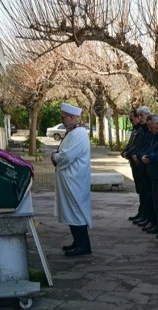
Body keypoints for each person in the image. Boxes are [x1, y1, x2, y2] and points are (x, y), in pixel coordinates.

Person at [52, 102, 92, 257]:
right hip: (70, 179)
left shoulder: (79, 134)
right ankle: (78, 242)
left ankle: (83, 245)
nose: (62, 120)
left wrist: (55, 156)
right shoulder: (74, 132)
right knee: (71, 211)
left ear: (72, 117)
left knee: (76, 211)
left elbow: (67, 156)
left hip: (75, 180)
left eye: (64, 118)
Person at [129, 106, 155, 228]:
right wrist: (130, 153)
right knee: (143, 192)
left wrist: (138, 154)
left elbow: (149, 146)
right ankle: (145, 215)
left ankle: (151, 219)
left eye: (142, 115)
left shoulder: (149, 130)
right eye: (138, 116)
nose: (140, 118)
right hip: (139, 164)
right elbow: (136, 145)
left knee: (150, 195)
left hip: (147, 165)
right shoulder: (142, 129)